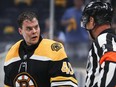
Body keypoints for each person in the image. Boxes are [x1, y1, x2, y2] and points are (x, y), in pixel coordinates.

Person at [4, 10, 78, 87]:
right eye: (29, 29)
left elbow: (65, 84)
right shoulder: (11, 54)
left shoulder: (54, 50)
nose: (34, 31)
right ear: (20, 31)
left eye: (36, 27)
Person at [81, 1, 116, 87]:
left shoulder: (104, 39)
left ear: (92, 20)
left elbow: (112, 63)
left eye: (86, 20)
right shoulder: (109, 39)